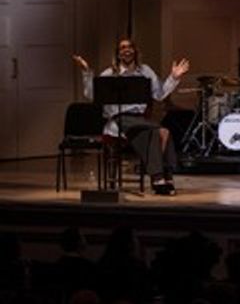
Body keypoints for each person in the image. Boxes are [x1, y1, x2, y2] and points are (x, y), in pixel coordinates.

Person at [74, 38, 189, 195]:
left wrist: (174, 77)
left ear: (135, 51)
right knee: (154, 132)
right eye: (122, 47)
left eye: (130, 47)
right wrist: (86, 71)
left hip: (139, 119)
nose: (126, 50)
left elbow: (159, 94)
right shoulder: (110, 74)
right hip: (118, 120)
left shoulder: (145, 71)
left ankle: (165, 176)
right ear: (118, 53)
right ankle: (158, 178)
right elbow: (92, 95)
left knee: (165, 132)